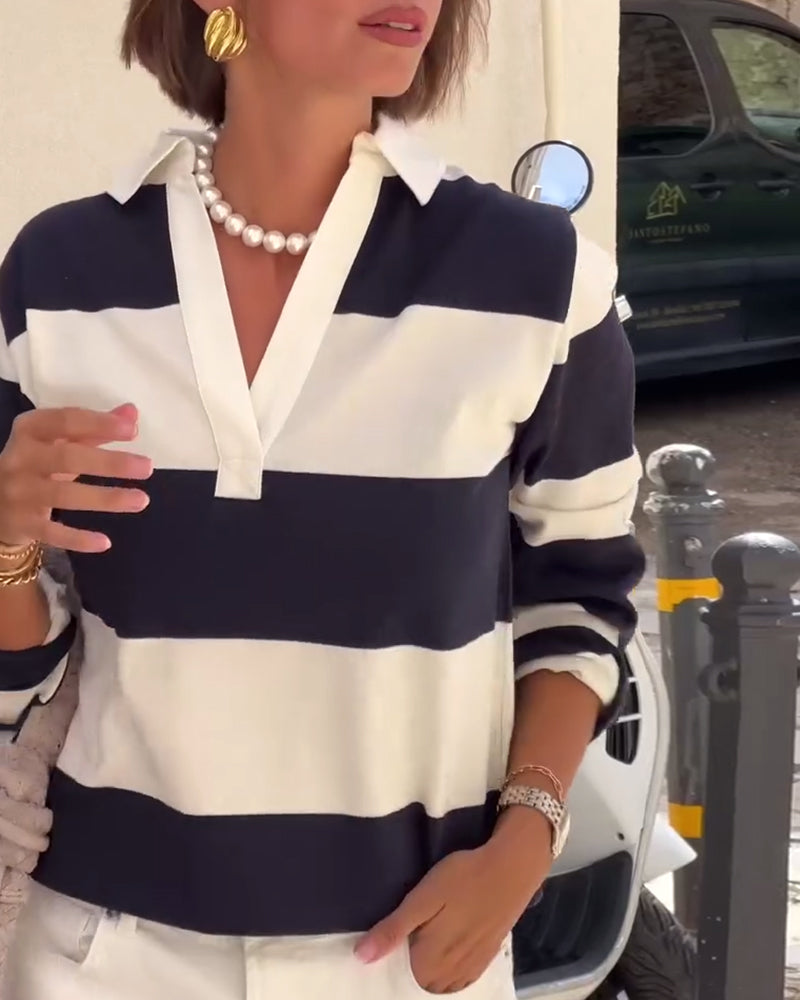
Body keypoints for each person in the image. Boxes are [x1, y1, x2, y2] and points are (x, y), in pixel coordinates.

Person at [0, 1, 645, 997]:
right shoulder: (58, 275)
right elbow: (28, 666)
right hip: (99, 953)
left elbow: (580, 598)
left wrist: (526, 839)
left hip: (400, 953)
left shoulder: (542, 284)